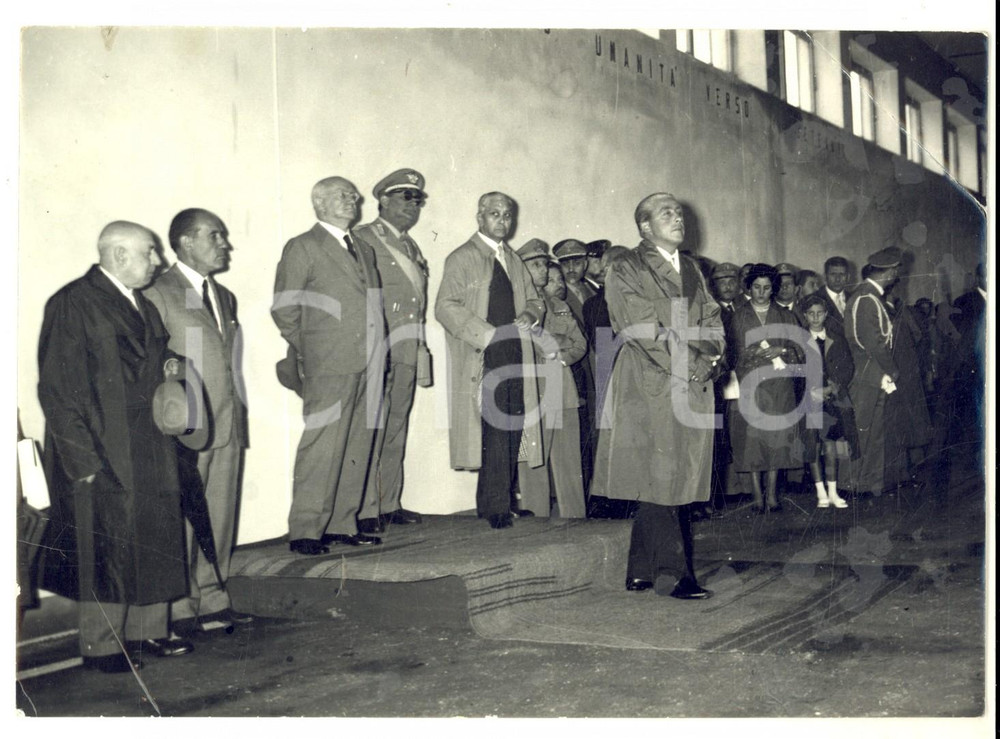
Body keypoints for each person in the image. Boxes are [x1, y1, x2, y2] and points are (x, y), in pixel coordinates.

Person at [37, 221, 194, 672]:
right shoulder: (73, 303)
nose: (157, 261)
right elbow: (57, 388)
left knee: (152, 534)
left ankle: (148, 633)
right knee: (106, 544)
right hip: (103, 445)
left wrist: (174, 371)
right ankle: (103, 646)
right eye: (149, 252)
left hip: (149, 443)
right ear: (119, 255)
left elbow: (157, 357)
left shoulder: (141, 302)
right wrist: (81, 461)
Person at [592, 192, 723, 600]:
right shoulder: (626, 267)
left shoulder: (693, 269)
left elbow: (713, 318)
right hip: (650, 383)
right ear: (644, 226)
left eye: (680, 212)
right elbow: (641, 328)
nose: (677, 217)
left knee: (665, 475)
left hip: (690, 379)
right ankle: (674, 575)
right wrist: (694, 363)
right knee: (664, 474)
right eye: (666, 212)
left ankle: (640, 569)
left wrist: (713, 358)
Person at [144, 208, 252, 635]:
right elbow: (154, 360)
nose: (224, 243)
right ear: (185, 242)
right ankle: (180, 607)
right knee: (183, 516)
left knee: (220, 516)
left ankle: (213, 599)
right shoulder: (159, 291)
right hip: (187, 427)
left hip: (226, 422)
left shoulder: (223, 295)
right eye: (215, 235)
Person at [272, 176, 386, 554]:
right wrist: (313, 350)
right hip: (329, 362)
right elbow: (285, 308)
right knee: (321, 446)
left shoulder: (364, 248)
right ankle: (305, 529)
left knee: (358, 441)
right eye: (342, 195)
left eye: (354, 195)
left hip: (370, 359)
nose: (352, 199)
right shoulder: (302, 247)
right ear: (318, 203)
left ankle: (342, 523)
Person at [435, 192, 546, 529]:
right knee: (494, 429)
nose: (502, 220)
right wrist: (486, 334)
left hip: (515, 351)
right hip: (484, 353)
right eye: (494, 214)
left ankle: (502, 500)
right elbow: (445, 306)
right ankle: (495, 505)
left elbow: (535, 299)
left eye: (507, 215)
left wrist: (531, 312)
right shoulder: (463, 257)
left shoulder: (513, 259)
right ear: (479, 217)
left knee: (512, 426)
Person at [352, 169, 432, 534]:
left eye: (418, 199)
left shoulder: (410, 245)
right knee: (372, 425)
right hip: (380, 344)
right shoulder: (365, 238)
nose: (413, 205)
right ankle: (364, 506)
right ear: (382, 200)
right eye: (405, 196)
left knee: (396, 424)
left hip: (407, 344)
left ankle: (388, 502)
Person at [513, 240, 588, 518]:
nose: (543, 269)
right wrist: (556, 341)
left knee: (569, 462)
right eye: (535, 264)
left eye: (544, 263)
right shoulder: (517, 305)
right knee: (533, 462)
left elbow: (579, 345)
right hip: (531, 391)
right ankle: (537, 521)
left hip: (562, 387)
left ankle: (576, 520)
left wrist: (559, 353)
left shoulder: (559, 306)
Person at [729, 263, 806, 513]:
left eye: (766, 288)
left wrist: (782, 349)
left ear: (773, 289)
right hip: (750, 384)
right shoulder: (738, 316)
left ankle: (772, 495)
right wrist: (753, 356)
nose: (761, 293)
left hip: (779, 386)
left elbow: (801, 351)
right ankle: (756, 495)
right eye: (756, 288)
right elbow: (733, 352)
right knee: (751, 440)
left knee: (777, 438)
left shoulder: (786, 316)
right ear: (748, 288)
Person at [844, 246, 902, 495]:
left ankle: (868, 483)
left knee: (874, 432)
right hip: (868, 373)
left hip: (876, 374)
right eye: (896, 271)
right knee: (862, 432)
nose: (896, 276)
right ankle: (851, 483)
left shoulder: (870, 296)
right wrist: (892, 369)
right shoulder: (867, 298)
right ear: (888, 272)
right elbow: (873, 342)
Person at [798, 293, 857, 508]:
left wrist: (834, 387)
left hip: (832, 399)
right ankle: (820, 492)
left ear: (826, 314)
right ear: (805, 315)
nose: (815, 318)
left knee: (831, 447)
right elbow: (794, 371)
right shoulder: (800, 340)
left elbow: (848, 367)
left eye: (820, 313)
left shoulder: (836, 338)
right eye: (811, 314)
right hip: (810, 400)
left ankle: (833, 491)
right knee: (813, 446)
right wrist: (811, 390)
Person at [553, 238, 596, 494]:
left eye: (577, 262)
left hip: (595, 367)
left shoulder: (592, 290)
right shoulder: (559, 297)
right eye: (565, 264)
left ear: (585, 263)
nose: (571, 269)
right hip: (575, 369)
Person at [814, 256, 852, 335]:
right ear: (825, 276)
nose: (837, 279)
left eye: (842, 274)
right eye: (833, 274)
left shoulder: (854, 298)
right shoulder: (813, 299)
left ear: (848, 277)